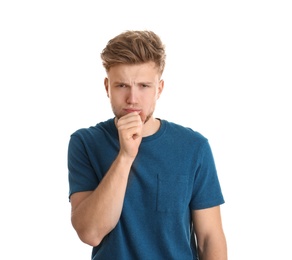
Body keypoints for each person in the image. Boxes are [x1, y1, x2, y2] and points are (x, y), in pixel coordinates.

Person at [67, 30, 227, 260]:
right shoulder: (85, 142)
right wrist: (125, 156)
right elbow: (91, 233)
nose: (132, 99)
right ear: (107, 87)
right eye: (122, 86)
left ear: (159, 89)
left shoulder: (194, 147)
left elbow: (209, 238)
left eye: (144, 86)